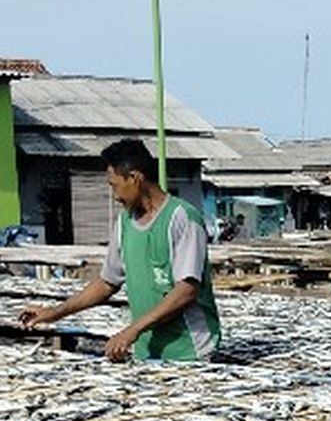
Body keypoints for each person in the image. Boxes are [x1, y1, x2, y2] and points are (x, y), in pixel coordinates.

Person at [19, 139, 221, 362]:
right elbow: (107, 283)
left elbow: (186, 291)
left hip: (190, 352)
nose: (114, 195)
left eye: (115, 185)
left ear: (135, 178)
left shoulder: (182, 218)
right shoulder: (125, 223)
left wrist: (132, 330)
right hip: (148, 352)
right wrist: (54, 313)